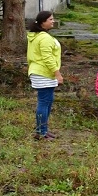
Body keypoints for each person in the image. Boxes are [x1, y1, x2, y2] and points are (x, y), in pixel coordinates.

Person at [27, 11, 63, 140]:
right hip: (43, 72)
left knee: (47, 101)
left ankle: (43, 130)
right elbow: (47, 57)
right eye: (50, 19)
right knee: (44, 102)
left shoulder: (37, 36)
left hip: (40, 72)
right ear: (43, 22)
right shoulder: (44, 38)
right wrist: (57, 74)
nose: (53, 21)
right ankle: (41, 132)